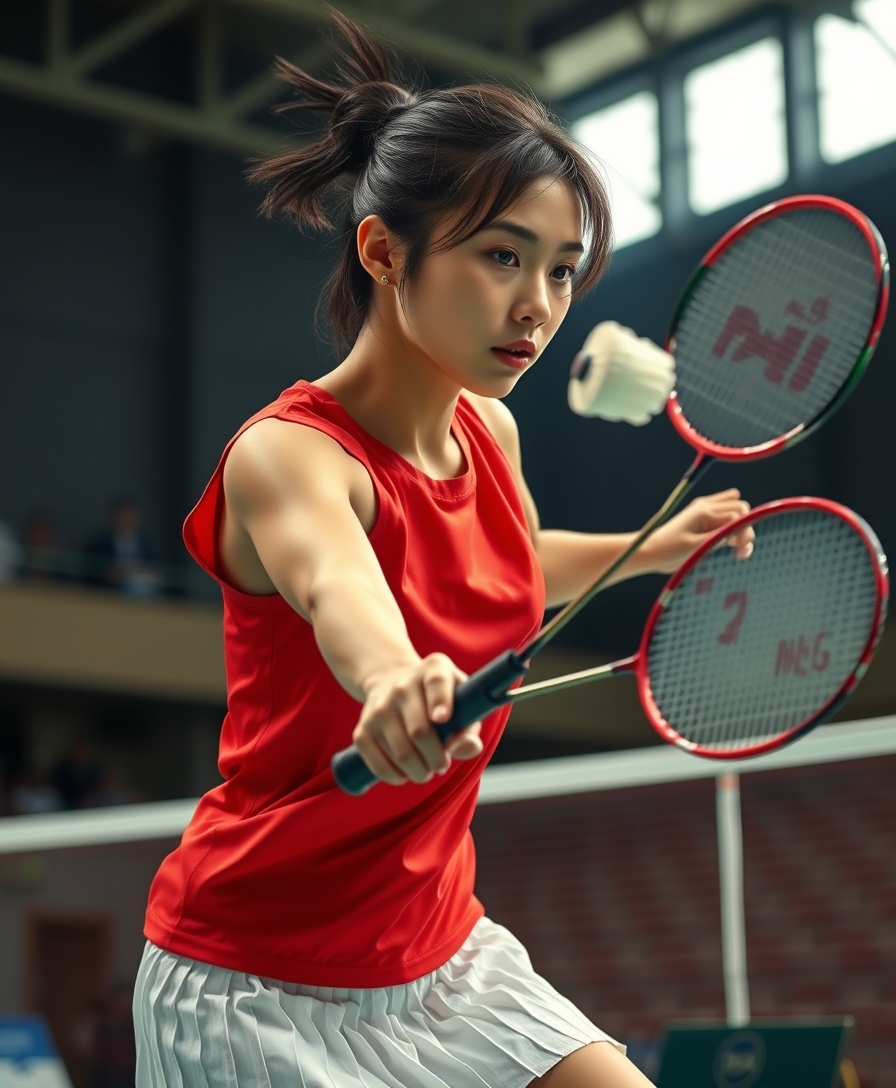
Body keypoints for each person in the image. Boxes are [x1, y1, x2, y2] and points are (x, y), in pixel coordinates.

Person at [133, 14, 754, 1088]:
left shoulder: (489, 429)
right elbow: (344, 588)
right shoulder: (286, 459)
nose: (537, 307)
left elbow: (494, 561)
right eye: (501, 256)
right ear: (383, 250)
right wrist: (392, 681)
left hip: (440, 953)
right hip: (254, 980)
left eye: (562, 270)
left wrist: (649, 545)